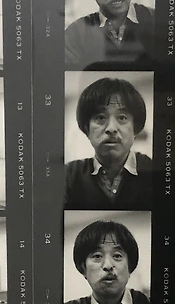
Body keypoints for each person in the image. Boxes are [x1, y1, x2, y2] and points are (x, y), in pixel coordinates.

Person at [63, 76, 153, 208]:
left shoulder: (155, 172)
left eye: (122, 117)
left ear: (136, 128)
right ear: (87, 128)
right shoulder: (69, 176)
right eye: (100, 117)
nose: (111, 128)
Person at [62, 220, 151, 304]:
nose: (108, 265)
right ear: (83, 268)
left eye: (117, 256)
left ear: (130, 266)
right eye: (97, 256)